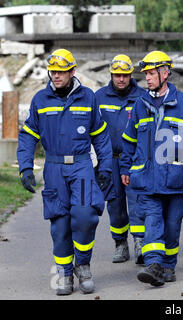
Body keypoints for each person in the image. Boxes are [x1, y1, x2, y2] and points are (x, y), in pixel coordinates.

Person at [17, 48, 112, 295]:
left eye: (61, 71)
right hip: (54, 168)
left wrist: (106, 168)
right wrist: (26, 167)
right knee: (59, 223)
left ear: (72, 71)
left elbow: (100, 135)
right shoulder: (40, 100)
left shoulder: (88, 97)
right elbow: (28, 136)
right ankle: (64, 273)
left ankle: (83, 264)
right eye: (53, 71)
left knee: (84, 216)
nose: (56, 75)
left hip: (81, 166)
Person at [120, 50, 183, 286]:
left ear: (165, 73)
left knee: (172, 224)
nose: (147, 78)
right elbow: (129, 139)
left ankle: (168, 265)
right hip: (146, 179)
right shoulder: (139, 105)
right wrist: (126, 168)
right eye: (145, 73)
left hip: (176, 179)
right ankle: (154, 264)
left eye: (151, 73)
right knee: (152, 220)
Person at [95, 54, 147, 264]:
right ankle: (120, 243)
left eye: (125, 75)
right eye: (117, 75)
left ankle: (140, 243)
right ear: (111, 75)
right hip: (110, 160)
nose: (121, 79)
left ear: (131, 75)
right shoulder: (99, 97)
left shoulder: (142, 96)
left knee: (137, 202)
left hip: (135, 160)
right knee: (115, 205)